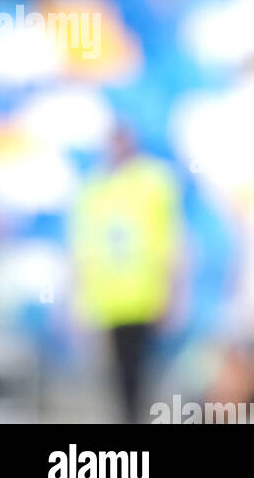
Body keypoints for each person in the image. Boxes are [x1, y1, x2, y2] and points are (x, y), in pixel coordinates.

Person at [70, 126, 181, 422]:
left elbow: (169, 242)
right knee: (117, 371)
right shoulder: (95, 186)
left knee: (141, 368)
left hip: (144, 295)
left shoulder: (154, 182)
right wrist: (82, 296)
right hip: (110, 298)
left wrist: (169, 292)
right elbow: (84, 247)